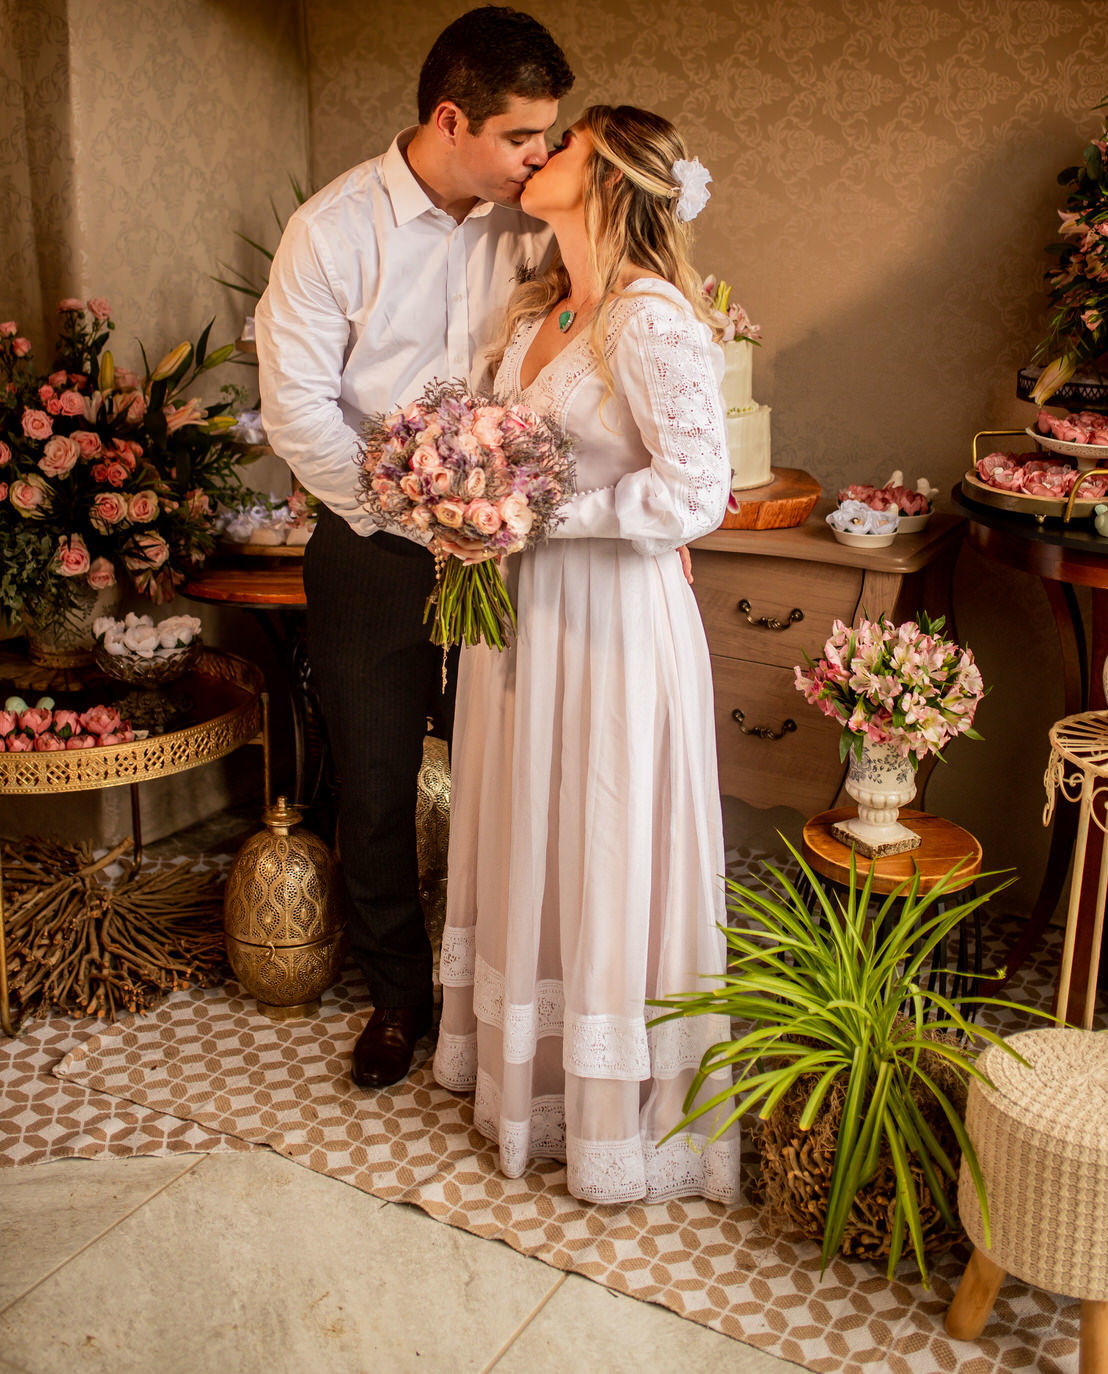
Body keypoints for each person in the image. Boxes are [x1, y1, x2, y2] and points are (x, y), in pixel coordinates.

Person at [255, 9, 573, 1089]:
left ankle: (494, 996)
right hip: (368, 546)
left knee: (502, 775)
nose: (542, 158)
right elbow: (297, 412)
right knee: (379, 777)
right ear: (452, 118)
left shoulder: (533, 222)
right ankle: (398, 996)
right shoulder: (331, 229)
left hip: (508, 551)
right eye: (524, 137)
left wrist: (494, 511)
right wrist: (415, 514)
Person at [431, 105, 741, 1205]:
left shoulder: (651, 320)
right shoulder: (539, 309)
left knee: (603, 830)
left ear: (605, 177)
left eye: (559, 147)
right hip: (523, 622)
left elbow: (700, 490)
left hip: (610, 624)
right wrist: (461, 502)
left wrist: (535, 519)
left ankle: (619, 1115)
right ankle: (534, 1080)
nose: (537, 157)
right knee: (529, 825)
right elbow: (505, 457)